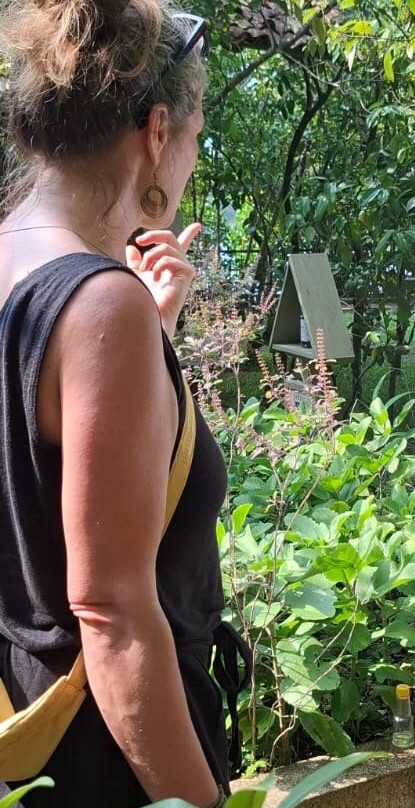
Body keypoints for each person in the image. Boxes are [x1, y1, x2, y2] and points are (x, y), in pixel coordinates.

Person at [0, 2, 235, 806]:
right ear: (157, 131)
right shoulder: (102, 307)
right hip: (105, 761)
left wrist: (149, 335)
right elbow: (110, 613)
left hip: (21, 726)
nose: (191, 159)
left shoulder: (23, 271)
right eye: (196, 136)